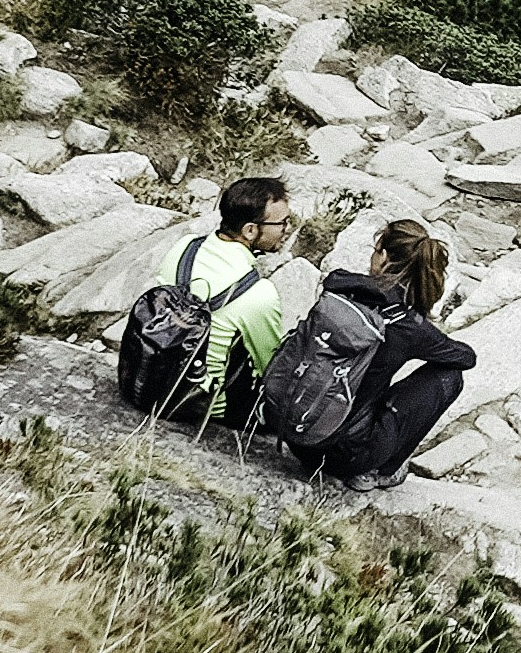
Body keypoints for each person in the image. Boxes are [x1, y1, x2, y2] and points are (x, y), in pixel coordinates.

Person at [289, 218, 476, 488]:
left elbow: (339, 280)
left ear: (384, 257)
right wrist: (425, 335)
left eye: (375, 250)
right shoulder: (410, 326)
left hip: (299, 436)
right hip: (344, 457)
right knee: (449, 377)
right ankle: (382, 471)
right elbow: (466, 358)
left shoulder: (340, 288)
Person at [130, 172, 308, 432]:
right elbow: (269, 368)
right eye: (282, 223)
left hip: (149, 376)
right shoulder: (258, 292)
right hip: (203, 405)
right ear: (250, 230)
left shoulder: (185, 247)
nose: (287, 229)